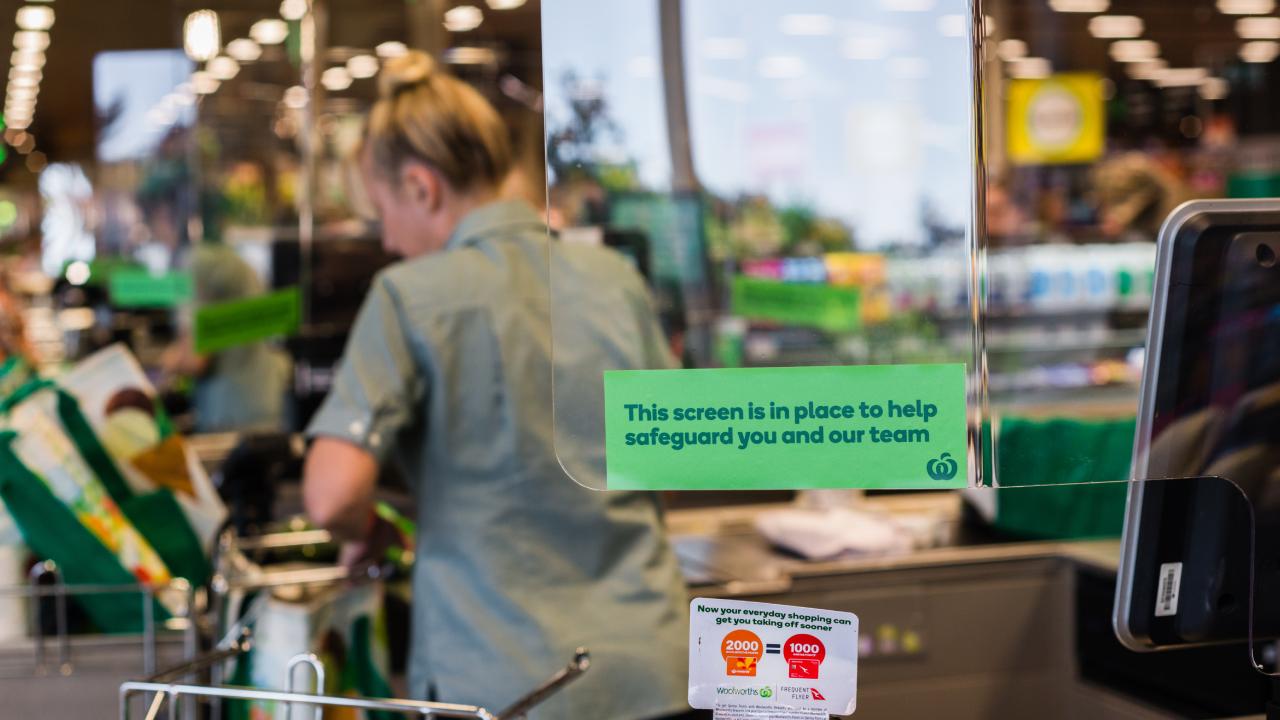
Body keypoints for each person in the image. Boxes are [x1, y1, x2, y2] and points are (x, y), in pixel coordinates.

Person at [302, 52, 691, 719]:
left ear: (422, 188)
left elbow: (331, 494)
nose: (388, 241)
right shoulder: (613, 279)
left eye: (384, 214)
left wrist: (375, 526)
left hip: (504, 687)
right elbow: (677, 465)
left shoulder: (407, 294)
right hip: (654, 674)